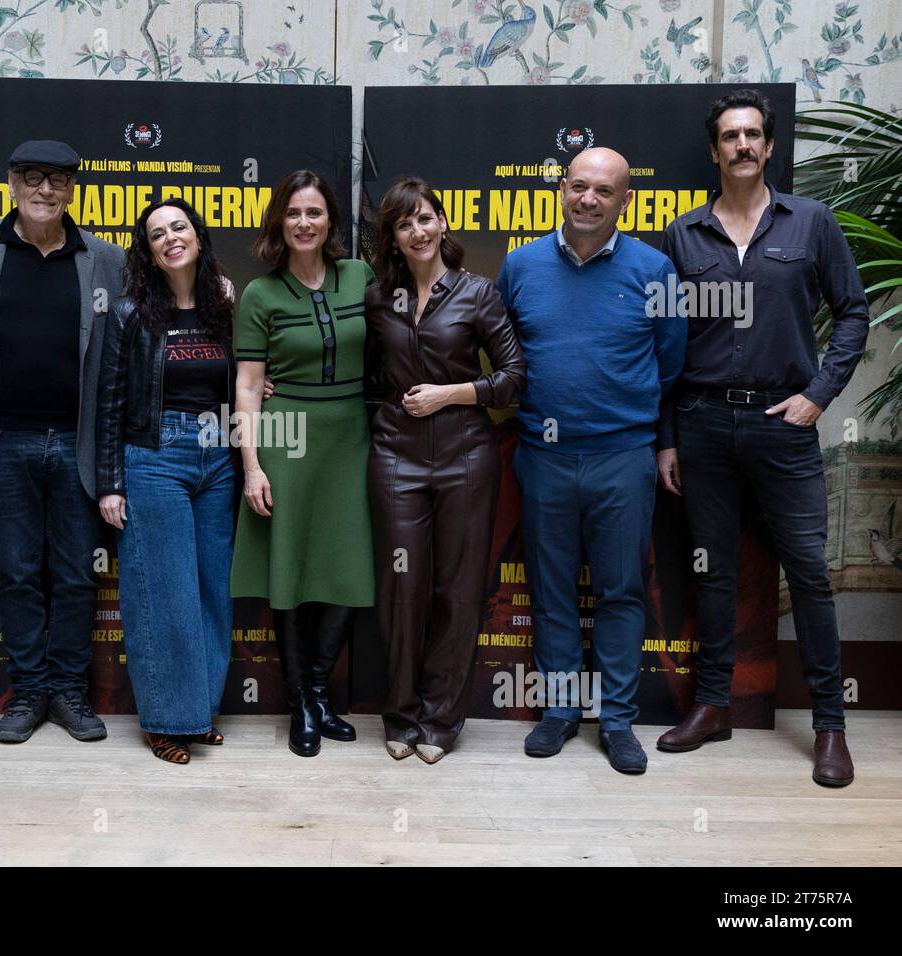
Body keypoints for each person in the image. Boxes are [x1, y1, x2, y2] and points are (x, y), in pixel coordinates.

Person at [655, 89, 869, 787]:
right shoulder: (684, 235)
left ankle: (830, 729)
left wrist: (817, 396)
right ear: (714, 151)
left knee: (807, 573)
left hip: (784, 425)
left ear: (770, 147)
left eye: (753, 134)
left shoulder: (812, 223)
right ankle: (712, 705)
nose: (742, 145)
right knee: (712, 572)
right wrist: (668, 437)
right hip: (705, 425)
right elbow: (665, 344)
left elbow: (855, 313)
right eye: (729, 136)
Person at [496, 146, 686, 774]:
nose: (589, 199)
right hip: (543, 458)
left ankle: (619, 721)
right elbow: (502, 357)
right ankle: (557, 713)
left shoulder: (655, 270)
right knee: (550, 592)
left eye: (604, 191)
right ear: (561, 190)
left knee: (621, 593)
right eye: (579, 186)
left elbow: (671, 365)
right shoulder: (519, 266)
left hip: (622, 458)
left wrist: (655, 439)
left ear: (625, 201)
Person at [0, 140, 125, 743]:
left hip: (78, 442)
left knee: (75, 573)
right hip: (4, 442)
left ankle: (69, 690)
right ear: (12, 183)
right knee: (17, 571)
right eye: (33, 178)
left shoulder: (105, 259)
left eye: (60, 180)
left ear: (73, 188)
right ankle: (28, 691)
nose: (46, 189)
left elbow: (138, 336)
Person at [365, 177, 526, 764]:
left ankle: (441, 718)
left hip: (465, 458)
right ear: (394, 237)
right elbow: (362, 380)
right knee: (402, 588)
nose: (418, 231)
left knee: (457, 591)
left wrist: (450, 394)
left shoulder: (477, 293)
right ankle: (401, 713)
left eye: (427, 218)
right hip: (394, 456)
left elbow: (514, 378)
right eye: (405, 223)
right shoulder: (378, 297)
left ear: (442, 225)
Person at [230, 169, 376, 758]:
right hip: (285, 438)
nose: (304, 223)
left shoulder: (360, 276)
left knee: (347, 570)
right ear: (279, 223)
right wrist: (252, 467)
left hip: (352, 439)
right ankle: (300, 705)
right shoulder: (261, 295)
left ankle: (320, 691)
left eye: (314, 213)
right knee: (287, 573)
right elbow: (245, 388)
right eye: (293, 213)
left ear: (331, 221)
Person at [96, 198, 238, 764]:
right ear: (149, 253)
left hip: (219, 457)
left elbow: (244, 375)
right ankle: (163, 720)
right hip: (154, 457)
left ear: (197, 237)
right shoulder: (131, 311)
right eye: (158, 234)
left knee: (210, 591)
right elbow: (109, 399)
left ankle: (197, 713)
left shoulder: (223, 305)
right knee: (163, 590)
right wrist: (111, 482)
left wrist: (257, 389)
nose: (171, 238)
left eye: (180, 227)